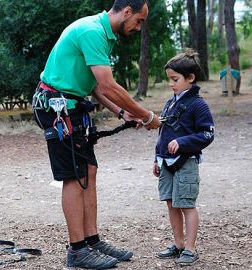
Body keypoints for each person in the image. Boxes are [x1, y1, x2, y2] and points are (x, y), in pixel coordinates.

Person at [32, 1, 160, 269]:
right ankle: (77, 250)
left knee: (88, 171)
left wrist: (121, 113)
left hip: (72, 106)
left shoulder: (103, 34)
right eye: (139, 21)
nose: (138, 27)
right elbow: (108, 85)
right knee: (74, 177)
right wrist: (147, 116)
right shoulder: (92, 31)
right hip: (58, 108)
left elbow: (95, 86)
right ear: (127, 11)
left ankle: (92, 241)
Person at [153, 49, 214, 266]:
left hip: (186, 163)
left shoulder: (199, 105)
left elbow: (207, 134)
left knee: (187, 204)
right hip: (166, 163)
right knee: (171, 203)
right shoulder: (170, 102)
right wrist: (156, 158)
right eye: (170, 79)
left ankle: (190, 248)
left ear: (190, 78)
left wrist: (183, 143)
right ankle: (178, 244)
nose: (171, 84)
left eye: (175, 79)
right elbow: (163, 132)